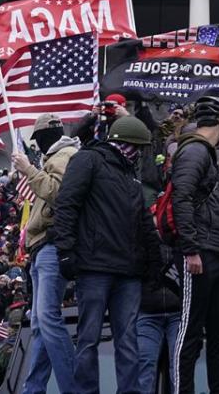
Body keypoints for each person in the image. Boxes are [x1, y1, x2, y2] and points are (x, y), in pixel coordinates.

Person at [53, 116, 161, 394]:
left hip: (129, 272)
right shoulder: (87, 160)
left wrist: (154, 262)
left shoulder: (131, 175)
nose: (138, 153)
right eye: (136, 147)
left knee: (128, 340)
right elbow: (66, 205)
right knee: (89, 338)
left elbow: (143, 221)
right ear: (125, 144)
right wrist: (65, 251)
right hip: (95, 268)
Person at [171, 95, 219, 394]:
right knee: (190, 331)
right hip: (200, 252)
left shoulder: (211, 155)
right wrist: (191, 248)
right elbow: (180, 198)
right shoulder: (195, 151)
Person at [12, 113, 80, 394]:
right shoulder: (54, 157)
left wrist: (28, 169)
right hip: (41, 246)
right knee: (40, 323)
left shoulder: (64, 155)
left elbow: (59, 192)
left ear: (43, 137)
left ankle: (74, 387)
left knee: (48, 319)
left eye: (37, 140)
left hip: (52, 245)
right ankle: (34, 387)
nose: (36, 146)